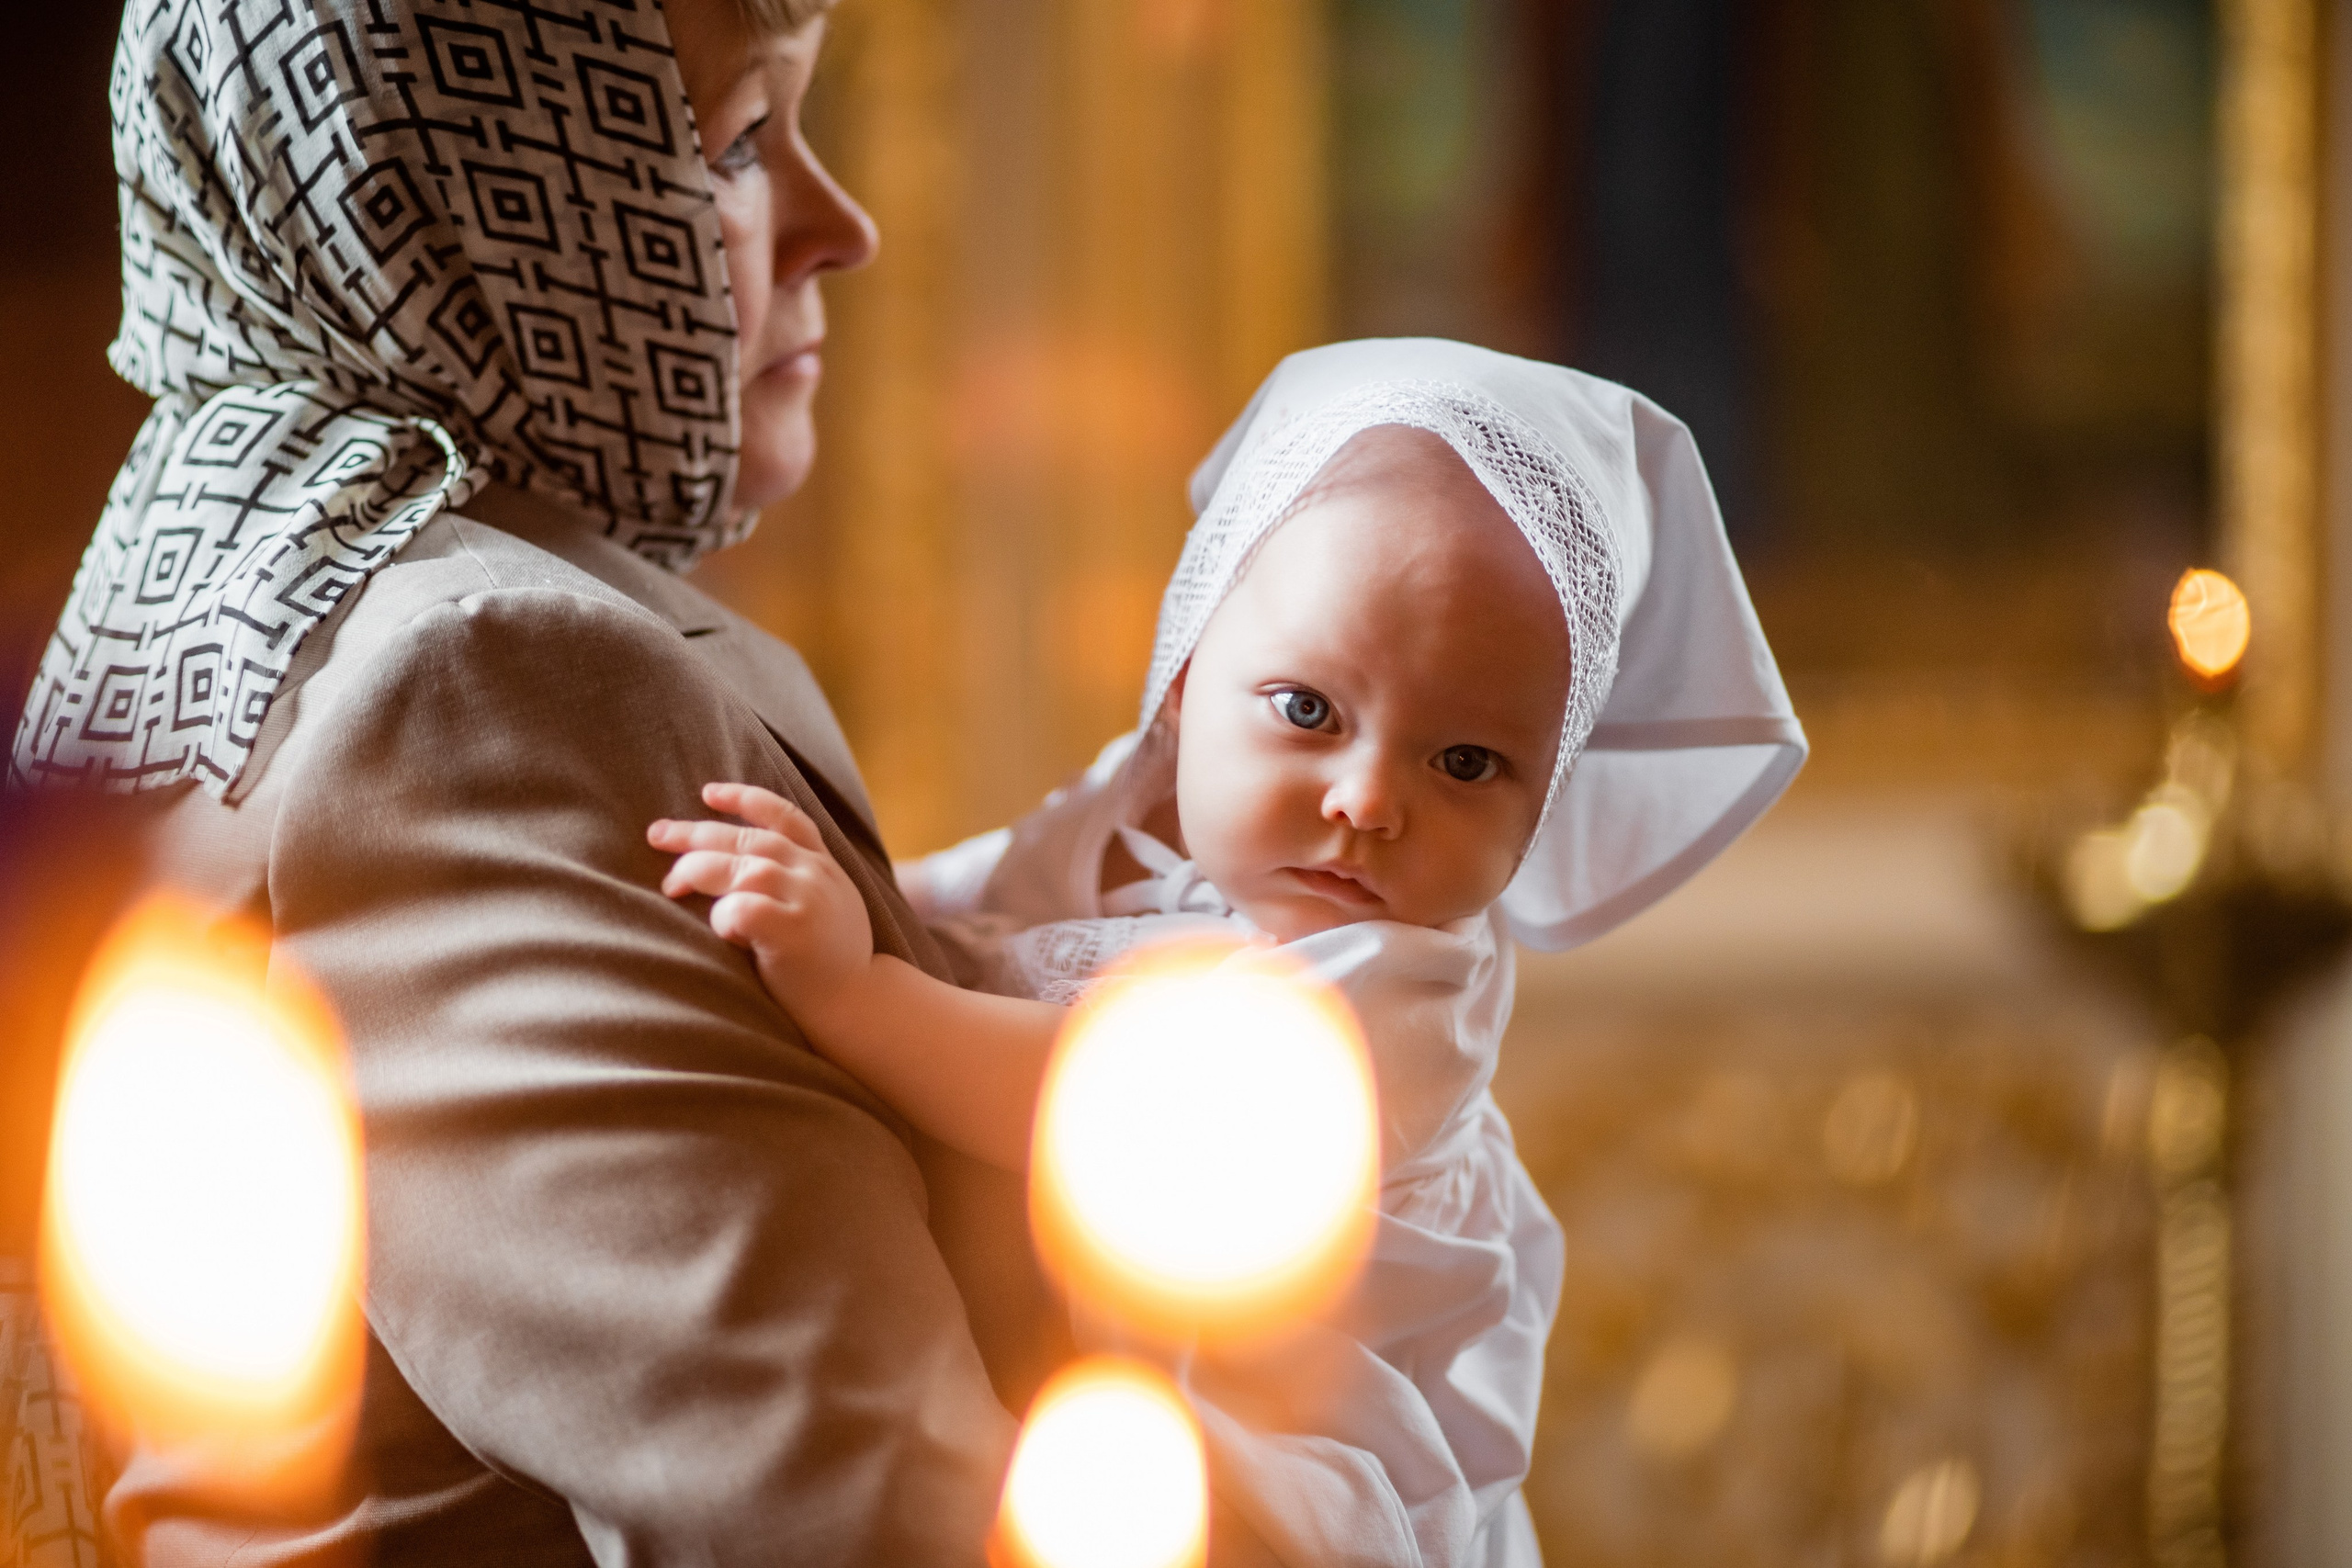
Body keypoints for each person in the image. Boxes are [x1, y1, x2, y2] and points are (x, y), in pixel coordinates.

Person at [9, 0, 1061, 1561]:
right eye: (747, 145)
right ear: (469, 196)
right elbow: (851, 1512)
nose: (848, 230)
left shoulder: (255, 568)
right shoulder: (480, 677)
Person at [651, 338, 1810, 1565]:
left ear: (1542, 805)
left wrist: (854, 992)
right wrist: (829, 901)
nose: (1367, 800)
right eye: (1310, 710)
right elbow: (940, 911)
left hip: (1301, 1451)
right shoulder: (1125, 812)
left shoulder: (1406, 992)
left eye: (1466, 763)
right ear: (1185, 678)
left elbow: (1101, 1102)